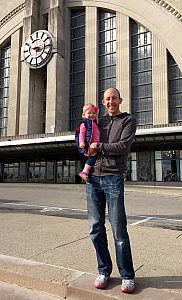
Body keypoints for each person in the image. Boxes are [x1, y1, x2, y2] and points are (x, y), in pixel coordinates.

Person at [86, 87, 136, 293]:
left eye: (114, 98)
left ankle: (127, 275)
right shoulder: (99, 121)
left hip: (113, 177)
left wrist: (99, 147)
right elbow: (88, 142)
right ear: (103, 102)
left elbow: (122, 146)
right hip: (93, 179)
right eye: (107, 99)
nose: (111, 102)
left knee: (119, 229)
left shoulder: (128, 120)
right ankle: (104, 270)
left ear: (120, 100)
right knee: (95, 229)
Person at [75, 103, 100, 182]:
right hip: (89, 145)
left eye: (93, 113)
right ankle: (85, 172)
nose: (91, 115)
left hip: (96, 144)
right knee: (93, 157)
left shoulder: (94, 123)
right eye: (89, 113)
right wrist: (81, 142)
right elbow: (81, 133)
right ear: (83, 114)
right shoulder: (84, 123)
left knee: (94, 157)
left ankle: (87, 172)